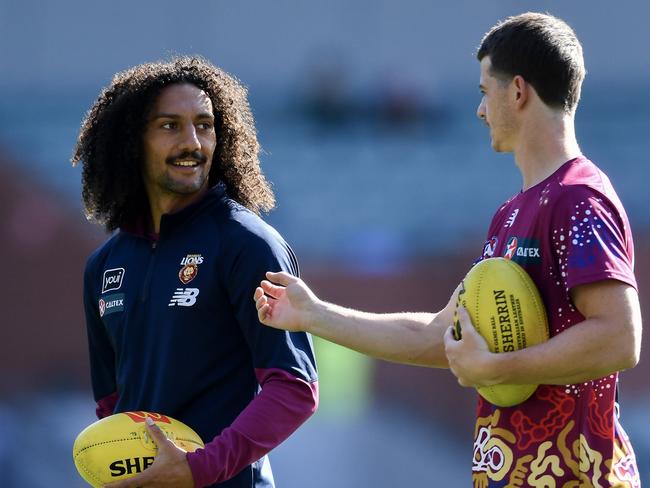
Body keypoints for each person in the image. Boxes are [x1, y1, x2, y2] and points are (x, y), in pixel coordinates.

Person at [254, 12, 642, 487]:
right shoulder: (510, 214)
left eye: (485, 91)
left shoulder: (578, 198)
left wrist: (500, 367)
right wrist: (315, 315)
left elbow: (620, 337)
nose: (480, 111)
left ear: (517, 91)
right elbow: (441, 334)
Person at [72, 56, 318, 488]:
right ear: (131, 141)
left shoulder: (248, 243)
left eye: (204, 125)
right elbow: (113, 404)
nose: (193, 142)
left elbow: (295, 389)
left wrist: (197, 467)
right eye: (169, 125)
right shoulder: (103, 266)